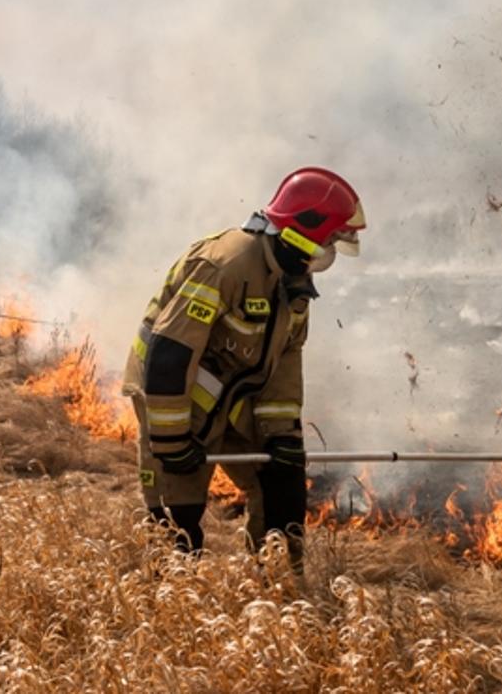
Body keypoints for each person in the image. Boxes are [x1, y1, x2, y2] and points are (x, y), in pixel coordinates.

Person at [122, 167, 365, 566]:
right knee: (177, 518)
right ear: (303, 230)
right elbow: (170, 353)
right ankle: (170, 603)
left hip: (233, 395)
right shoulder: (226, 265)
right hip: (171, 396)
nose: (331, 251)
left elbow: (285, 362)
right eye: (331, 239)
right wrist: (171, 440)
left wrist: (282, 435)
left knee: (281, 492)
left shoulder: (294, 284)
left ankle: (276, 592)